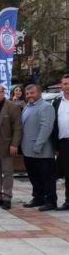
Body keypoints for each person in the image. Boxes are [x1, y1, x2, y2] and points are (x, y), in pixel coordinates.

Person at [22, 84, 57, 211]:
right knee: (34, 176)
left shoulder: (46, 107)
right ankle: (38, 198)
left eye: (32, 93)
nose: (29, 95)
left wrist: (38, 144)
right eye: (27, 94)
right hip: (28, 149)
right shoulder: (27, 107)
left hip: (42, 150)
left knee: (47, 177)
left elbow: (46, 127)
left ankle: (51, 201)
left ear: (39, 93)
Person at [54, 75, 69, 210]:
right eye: (65, 84)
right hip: (64, 143)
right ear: (61, 86)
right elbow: (54, 124)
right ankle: (68, 201)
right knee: (66, 173)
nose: (67, 86)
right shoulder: (57, 102)